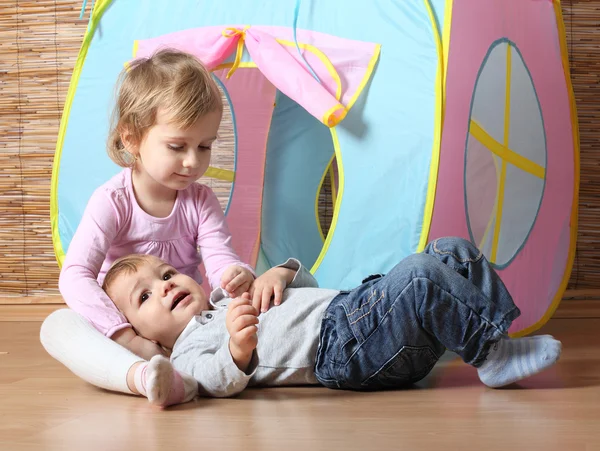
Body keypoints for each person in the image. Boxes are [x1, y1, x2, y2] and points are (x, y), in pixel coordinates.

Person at [40, 49, 255, 407]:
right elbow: (75, 274)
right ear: (132, 138)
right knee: (58, 327)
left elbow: (220, 261)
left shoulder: (199, 201)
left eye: (204, 146)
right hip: (122, 335)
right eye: (177, 146)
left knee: (247, 312)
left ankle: (182, 374)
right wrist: (126, 337)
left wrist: (236, 275)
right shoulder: (113, 201)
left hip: (185, 328)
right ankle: (144, 377)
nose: (193, 161)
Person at [102, 237, 562, 403]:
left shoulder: (229, 295)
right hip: (343, 349)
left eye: (165, 273)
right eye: (145, 296)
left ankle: (495, 335)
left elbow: (306, 288)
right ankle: (493, 356)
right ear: (146, 337)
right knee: (420, 277)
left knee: (451, 248)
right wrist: (237, 350)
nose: (164, 285)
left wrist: (281, 273)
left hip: (355, 310)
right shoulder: (186, 351)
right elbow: (211, 379)